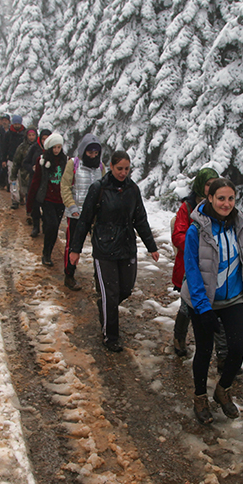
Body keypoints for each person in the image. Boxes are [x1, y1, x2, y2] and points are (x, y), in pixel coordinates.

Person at [181, 178, 243, 425]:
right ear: (210, 199)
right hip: (203, 301)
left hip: (233, 298)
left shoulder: (240, 226)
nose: (226, 204)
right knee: (204, 350)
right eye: (221, 198)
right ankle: (200, 396)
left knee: (237, 349)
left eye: (231, 198)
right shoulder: (197, 230)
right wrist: (203, 308)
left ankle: (223, 389)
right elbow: (192, 270)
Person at [68, 150, 159, 352]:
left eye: (126, 169)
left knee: (125, 289)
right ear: (110, 166)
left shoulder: (132, 190)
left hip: (127, 247)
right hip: (104, 248)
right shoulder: (98, 188)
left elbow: (140, 219)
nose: (123, 173)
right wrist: (75, 250)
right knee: (110, 293)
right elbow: (84, 221)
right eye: (119, 168)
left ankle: (106, 309)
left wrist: (151, 246)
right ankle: (111, 336)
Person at [171, 167, 219, 357]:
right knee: (187, 305)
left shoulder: (219, 205)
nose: (210, 188)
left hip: (213, 265)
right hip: (189, 266)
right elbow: (178, 235)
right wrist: (198, 247)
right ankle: (179, 337)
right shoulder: (188, 207)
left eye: (214, 183)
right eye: (208, 184)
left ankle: (221, 352)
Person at [60, 133, 105, 291]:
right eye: (90, 152)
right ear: (83, 151)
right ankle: (69, 275)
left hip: (95, 215)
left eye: (95, 152)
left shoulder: (100, 166)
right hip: (77, 213)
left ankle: (99, 277)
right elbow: (65, 186)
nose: (93, 155)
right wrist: (71, 206)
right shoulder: (73, 164)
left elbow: (105, 188)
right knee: (73, 246)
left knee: (100, 247)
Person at [28, 133, 68, 267]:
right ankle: (46, 254)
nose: (56, 150)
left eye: (59, 147)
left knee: (55, 227)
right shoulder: (43, 161)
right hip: (47, 198)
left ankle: (48, 250)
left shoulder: (64, 161)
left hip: (60, 199)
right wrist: (31, 202)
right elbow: (36, 180)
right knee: (50, 225)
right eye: (54, 147)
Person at [24, 129, 52, 236]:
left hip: (48, 182)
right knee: (35, 204)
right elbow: (25, 162)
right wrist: (32, 168)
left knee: (46, 205)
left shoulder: (54, 150)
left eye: (47, 139)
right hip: (35, 180)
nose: (45, 141)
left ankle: (45, 225)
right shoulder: (34, 148)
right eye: (43, 138)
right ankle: (36, 226)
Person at [12, 127, 38, 214]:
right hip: (25, 175)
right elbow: (16, 161)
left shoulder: (39, 147)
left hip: (37, 175)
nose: (31, 137)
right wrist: (13, 174)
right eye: (29, 135)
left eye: (33, 135)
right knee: (28, 193)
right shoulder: (22, 147)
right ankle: (29, 212)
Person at [4, 115, 28, 208]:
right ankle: (15, 200)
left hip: (23, 162)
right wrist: (3, 159)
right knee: (13, 180)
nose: (17, 125)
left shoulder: (25, 133)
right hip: (11, 160)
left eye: (18, 123)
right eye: (15, 123)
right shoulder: (8, 134)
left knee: (23, 181)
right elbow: (4, 147)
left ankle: (22, 196)